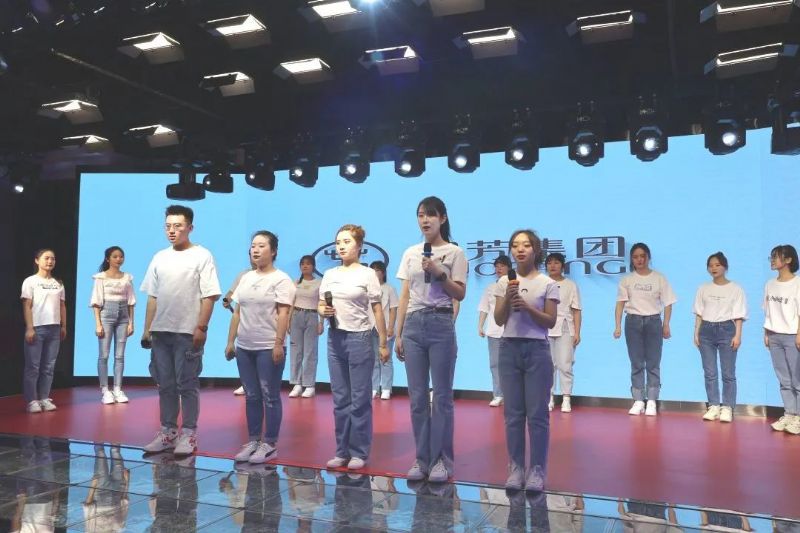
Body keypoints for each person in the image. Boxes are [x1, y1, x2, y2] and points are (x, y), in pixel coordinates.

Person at [395, 196, 467, 483]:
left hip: (440, 322)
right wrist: (398, 333)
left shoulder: (455, 253)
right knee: (416, 398)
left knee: (442, 397)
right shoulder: (410, 253)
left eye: (431, 215)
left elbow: (460, 293)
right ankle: (421, 458)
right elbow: (404, 295)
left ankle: (441, 460)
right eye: (421, 215)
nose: (425, 220)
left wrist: (439, 274)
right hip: (413, 324)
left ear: (443, 218)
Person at [140, 205, 221, 456]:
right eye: (168, 226)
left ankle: (189, 434)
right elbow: (152, 296)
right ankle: (168, 432)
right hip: (160, 332)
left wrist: (202, 327)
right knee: (165, 384)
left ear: (190, 228)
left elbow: (210, 295)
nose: (172, 231)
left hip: (187, 331)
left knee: (187, 384)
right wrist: (147, 330)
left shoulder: (202, 255)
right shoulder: (159, 257)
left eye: (177, 226)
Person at [320, 224, 389, 470]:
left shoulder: (367, 274)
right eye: (338, 242)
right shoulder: (330, 274)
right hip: (334, 338)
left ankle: (359, 452)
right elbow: (321, 304)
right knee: (340, 399)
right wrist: (323, 310)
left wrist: (383, 342)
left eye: (347, 241)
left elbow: (377, 309)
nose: (341, 246)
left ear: (359, 246)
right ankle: (341, 451)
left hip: (360, 338)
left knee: (360, 399)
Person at [494, 229, 559, 491]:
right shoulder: (504, 282)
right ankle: (516, 468)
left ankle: (538, 470)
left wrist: (528, 307)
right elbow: (499, 319)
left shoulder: (547, 283)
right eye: (515, 245)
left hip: (537, 350)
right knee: (513, 414)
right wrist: (509, 299)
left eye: (526, 245)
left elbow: (550, 321)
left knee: (538, 415)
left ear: (536, 250)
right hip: (508, 348)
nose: (520, 250)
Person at [225, 231, 295, 464]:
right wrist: (230, 342)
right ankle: (254, 440)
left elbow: (284, 313)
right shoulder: (246, 278)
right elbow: (237, 312)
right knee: (251, 395)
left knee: (269, 395)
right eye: (253, 245)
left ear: (273, 251)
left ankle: (270, 444)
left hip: (268, 346)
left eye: (261, 246)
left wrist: (278, 343)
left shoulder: (281, 279)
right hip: (245, 347)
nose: (255, 249)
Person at [613, 242, 676, 416]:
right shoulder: (627, 280)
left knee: (653, 362)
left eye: (642, 256)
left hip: (653, 322)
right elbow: (620, 304)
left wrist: (666, 324)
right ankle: (639, 400)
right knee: (636, 362)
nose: (639, 260)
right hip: (633, 322)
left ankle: (652, 400)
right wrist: (617, 326)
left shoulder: (659, 278)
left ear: (648, 257)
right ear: (631, 259)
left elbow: (668, 303)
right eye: (635, 257)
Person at [693, 251, 747, 423]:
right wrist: (696, 333)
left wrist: (738, 335)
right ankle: (714, 405)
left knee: (728, 372)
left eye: (717, 265)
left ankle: (728, 407)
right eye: (710, 265)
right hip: (706, 330)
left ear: (725, 267)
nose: (713, 268)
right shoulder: (703, 288)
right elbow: (699, 313)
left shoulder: (736, 288)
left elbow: (739, 315)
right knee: (709, 372)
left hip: (727, 329)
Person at [20, 249, 67, 413]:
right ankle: (32, 400)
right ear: (37, 260)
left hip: (54, 328)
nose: (50, 261)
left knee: (49, 366)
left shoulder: (58, 282)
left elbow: (62, 305)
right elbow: (27, 305)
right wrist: (29, 327)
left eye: (53, 259)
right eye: (46, 258)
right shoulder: (30, 281)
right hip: (37, 328)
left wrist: (63, 326)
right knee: (33, 366)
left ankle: (44, 398)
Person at [90, 246, 136, 405]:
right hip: (106, 315)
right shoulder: (101, 277)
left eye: (121, 256)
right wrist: (98, 324)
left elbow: (131, 302)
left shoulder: (127, 277)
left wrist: (131, 322)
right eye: (115, 256)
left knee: (120, 355)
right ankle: (105, 390)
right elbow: (96, 302)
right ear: (107, 259)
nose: (119, 259)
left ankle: (117, 388)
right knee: (104, 354)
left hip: (123, 316)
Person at [763, 244, 800, 435]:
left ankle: (799, 417)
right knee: (783, 379)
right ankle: (789, 414)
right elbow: (768, 311)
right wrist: (766, 332)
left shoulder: (797, 283)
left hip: (793, 336)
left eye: (775, 257)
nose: (772, 260)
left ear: (788, 260)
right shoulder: (770, 284)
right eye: (771, 257)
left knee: (797, 379)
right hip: (774, 335)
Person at [546, 253, 582, 413]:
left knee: (565, 364)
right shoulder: (542, 283)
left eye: (556, 263)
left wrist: (577, 332)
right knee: (548, 365)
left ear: (562, 266)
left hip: (565, 327)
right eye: (549, 263)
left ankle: (566, 397)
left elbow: (576, 310)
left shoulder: (570, 285)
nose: (552, 266)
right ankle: (549, 397)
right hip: (545, 328)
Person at [478, 255, 511, 407]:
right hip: (493, 331)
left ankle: (513, 395)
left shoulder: (514, 286)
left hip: (511, 332)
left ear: (509, 268)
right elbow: (484, 308)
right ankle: (498, 394)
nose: (499, 269)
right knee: (495, 364)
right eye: (497, 266)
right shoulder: (490, 287)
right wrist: (480, 326)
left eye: (502, 266)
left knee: (512, 364)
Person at [289, 255, 324, 398]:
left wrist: (321, 322)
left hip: (312, 316)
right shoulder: (296, 282)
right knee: (296, 351)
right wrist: (288, 321)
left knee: (310, 352)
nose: (305, 266)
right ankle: (297, 384)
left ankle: (309, 385)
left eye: (308, 264)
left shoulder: (319, 283)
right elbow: (291, 302)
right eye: (302, 264)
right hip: (296, 316)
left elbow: (322, 302)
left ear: (313, 267)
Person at [222, 260, 255, 396]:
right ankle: (246, 383)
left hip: (262, 323)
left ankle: (257, 383)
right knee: (244, 353)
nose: (255, 256)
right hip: (243, 320)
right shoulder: (243, 275)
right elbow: (232, 291)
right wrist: (227, 300)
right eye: (251, 254)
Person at [370, 260, 399, 400]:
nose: (375, 273)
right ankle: (374, 387)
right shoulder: (367, 289)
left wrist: (391, 327)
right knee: (373, 359)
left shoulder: (389, 289)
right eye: (373, 270)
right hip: (370, 327)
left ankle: (386, 388)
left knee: (386, 359)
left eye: (377, 270)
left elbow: (393, 309)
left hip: (386, 327)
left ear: (383, 273)